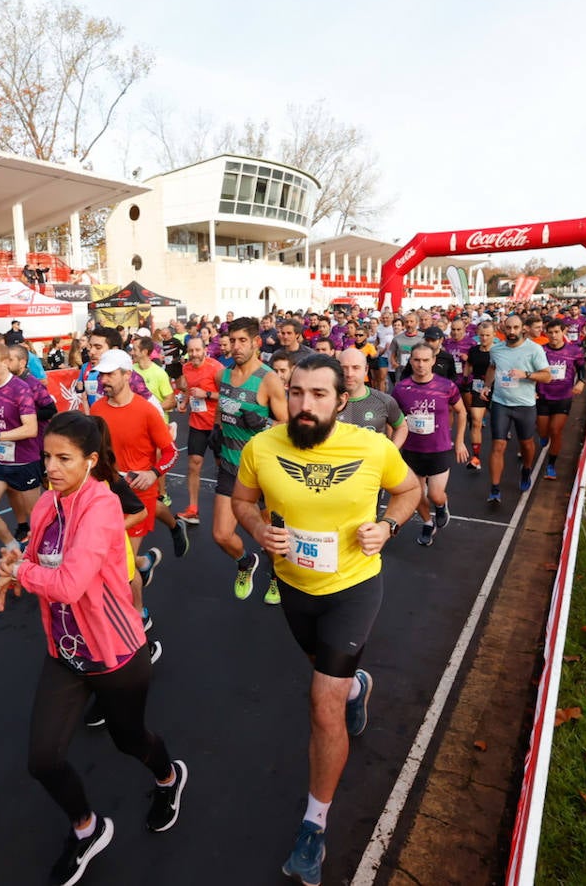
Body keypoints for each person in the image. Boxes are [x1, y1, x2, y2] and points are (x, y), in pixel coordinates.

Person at [232, 355, 419, 886]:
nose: (304, 404)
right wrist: (259, 531)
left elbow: (410, 491)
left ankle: (314, 825)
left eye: (318, 394)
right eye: (296, 393)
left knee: (321, 700)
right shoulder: (262, 447)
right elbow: (245, 502)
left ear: (341, 401)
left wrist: (388, 527)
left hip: (354, 588)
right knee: (326, 673)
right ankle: (358, 686)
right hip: (295, 589)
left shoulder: (372, 446)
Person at [0, 412, 186, 886]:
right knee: (43, 759)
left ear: (91, 460)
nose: (52, 467)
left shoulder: (100, 507)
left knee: (129, 740)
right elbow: (40, 561)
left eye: (64, 459)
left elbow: (70, 583)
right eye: (47, 457)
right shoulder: (46, 505)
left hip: (115, 652)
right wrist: (16, 562)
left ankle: (169, 778)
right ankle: (87, 829)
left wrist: (23, 575)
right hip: (65, 652)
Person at [91, 350, 179, 652]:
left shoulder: (146, 410)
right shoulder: (96, 409)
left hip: (139, 498)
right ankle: (147, 561)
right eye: (101, 374)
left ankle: (139, 614)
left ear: (128, 375)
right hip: (107, 492)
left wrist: (153, 474)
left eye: (110, 374)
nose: (103, 380)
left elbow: (171, 452)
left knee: (119, 565)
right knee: (119, 557)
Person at [213, 317, 288, 603]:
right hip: (231, 465)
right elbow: (222, 411)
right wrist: (216, 434)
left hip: (262, 471)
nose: (236, 346)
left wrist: (263, 423)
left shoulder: (269, 379)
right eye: (232, 341)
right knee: (221, 534)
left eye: (242, 340)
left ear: (256, 342)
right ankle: (245, 563)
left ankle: (278, 575)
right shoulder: (223, 376)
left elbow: (286, 423)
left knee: (269, 535)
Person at [390, 344, 469, 546]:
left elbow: (462, 412)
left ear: (434, 361)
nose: (421, 365)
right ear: (410, 361)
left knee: (435, 494)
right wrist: (392, 447)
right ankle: (427, 523)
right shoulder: (401, 388)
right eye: (416, 360)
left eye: (426, 360)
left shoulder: (447, 386)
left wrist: (459, 442)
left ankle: (442, 506)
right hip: (411, 451)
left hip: (439, 449)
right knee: (415, 494)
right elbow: (393, 418)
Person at [0, 344, 44, 547]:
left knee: (37, 517)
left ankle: (48, 553)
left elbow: (31, 429)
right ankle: (14, 547)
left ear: (5, 363)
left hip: (24, 462)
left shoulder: (21, 389)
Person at [484, 315, 553, 503]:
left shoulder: (534, 349)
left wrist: (527, 374)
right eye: (508, 328)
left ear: (523, 328)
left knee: (527, 444)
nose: (512, 332)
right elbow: (492, 368)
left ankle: (527, 469)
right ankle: (495, 488)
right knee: (498, 445)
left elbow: (547, 377)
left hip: (525, 405)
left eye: (516, 328)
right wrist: (487, 386)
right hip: (500, 403)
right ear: (503, 329)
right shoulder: (496, 349)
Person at [175, 336, 223, 526]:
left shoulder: (216, 368)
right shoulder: (186, 368)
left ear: (205, 350)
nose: (194, 354)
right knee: (194, 464)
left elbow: (228, 394)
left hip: (217, 424)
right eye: (191, 351)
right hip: (197, 423)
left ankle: (230, 507)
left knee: (223, 468)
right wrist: (185, 402)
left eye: (197, 350)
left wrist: (207, 394)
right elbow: (188, 388)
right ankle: (193, 509)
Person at [536, 320, 586, 480]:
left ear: (564, 332)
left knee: (555, 430)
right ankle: (543, 437)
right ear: (546, 333)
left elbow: (582, 368)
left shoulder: (574, 350)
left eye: (557, 332)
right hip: (543, 396)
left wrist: (581, 382)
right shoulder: (541, 351)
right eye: (550, 332)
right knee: (543, 431)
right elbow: (532, 370)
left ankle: (551, 465)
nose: (554, 336)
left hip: (563, 397)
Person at [336, 349, 407, 446]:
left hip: (373, 461)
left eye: (356, 368)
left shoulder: (384, 401)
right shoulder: (326, 401)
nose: (349, 374)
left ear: (366, 370)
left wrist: (392, 451)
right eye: (344, 368)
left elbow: (401, 427)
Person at [462, 319, 498, 472]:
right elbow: (469, 364)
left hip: (497, 390)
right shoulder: (474, 350)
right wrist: (465, 378)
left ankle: (497, 455)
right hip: (477, 387)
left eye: (487, 335)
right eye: (482, 335)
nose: (484, 338)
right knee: (476, 421)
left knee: (498, 426)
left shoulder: (499, 351)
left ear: (494, 335)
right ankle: (475, 457)